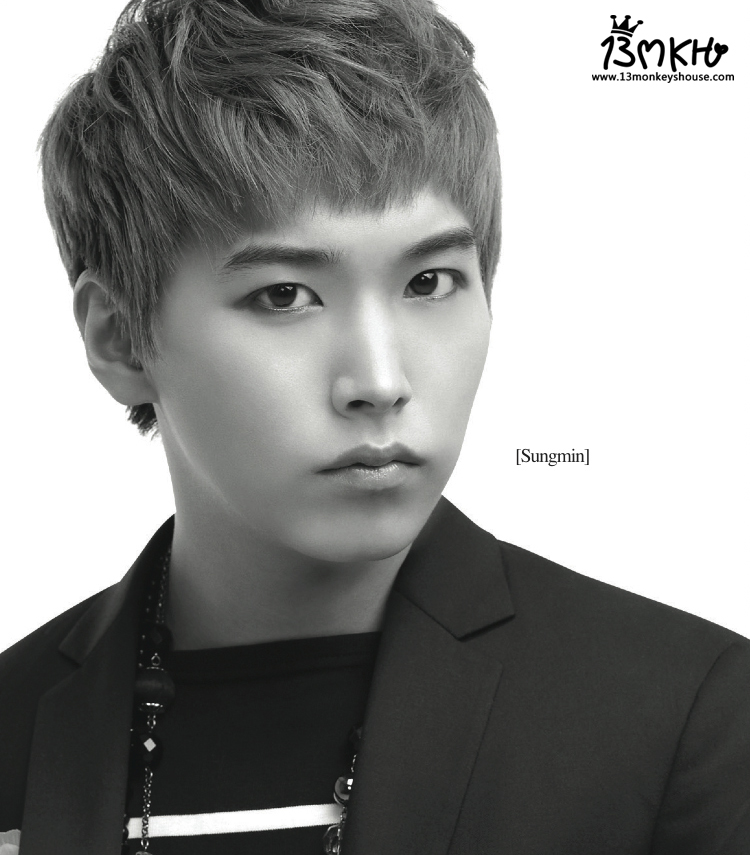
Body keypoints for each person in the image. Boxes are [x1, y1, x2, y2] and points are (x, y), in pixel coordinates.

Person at [0, 0, 748, 853]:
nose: (381, 382)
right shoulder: (16, 730)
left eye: (430, 282)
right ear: (120, 337)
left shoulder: (683, 719)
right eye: (284, 295)